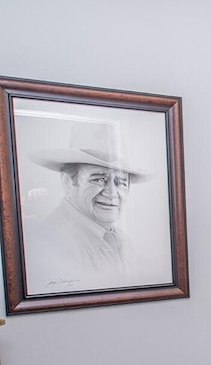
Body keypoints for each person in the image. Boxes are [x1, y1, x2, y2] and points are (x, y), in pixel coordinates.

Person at [24, 121, 152, 293]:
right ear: (68, 182)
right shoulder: (46, 245)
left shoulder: (121, 240)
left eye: (120, 181)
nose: (112, 193)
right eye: (99, 179)